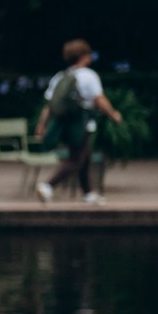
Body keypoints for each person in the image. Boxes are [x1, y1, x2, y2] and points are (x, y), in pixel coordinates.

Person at [35, 38, 123, 204]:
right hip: (82, 123)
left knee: (84, 156)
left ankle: (89, 194)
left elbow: (49, 106)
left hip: (65, 125)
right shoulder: (89, 76)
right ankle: (47, 186)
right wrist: (113, 114)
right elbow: (99, 99)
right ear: (84, 56)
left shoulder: (61, 76)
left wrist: (42, 124)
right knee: (76, 159)